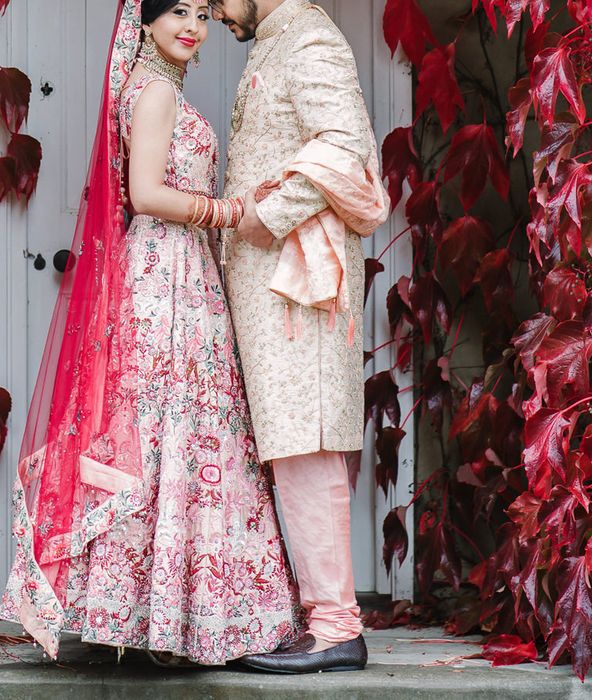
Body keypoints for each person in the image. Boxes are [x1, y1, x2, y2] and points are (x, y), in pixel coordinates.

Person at [0, 0, 301, 666]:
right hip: (166, 270)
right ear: (146, 20)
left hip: (168, 268)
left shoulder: (141, 83)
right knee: (172, 425)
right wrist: (229, 212)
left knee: (161, 428)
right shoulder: (157, 89)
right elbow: (145, 193)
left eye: (201, 11)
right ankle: (173, 614)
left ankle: (153, 611)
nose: (192, 25)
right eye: (178, 11)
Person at [209, 0, 390, 673]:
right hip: (277, 286)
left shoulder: (312, 39)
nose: (217, 11)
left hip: (299, 286)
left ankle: (337, 626)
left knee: (308, 439)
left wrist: (263, 213)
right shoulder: (279, 40)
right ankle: (319, 617)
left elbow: (347, 149)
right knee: (292, 443)